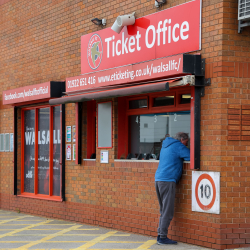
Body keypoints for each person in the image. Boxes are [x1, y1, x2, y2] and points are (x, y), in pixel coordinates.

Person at [155, 132, 190, 245]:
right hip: (168, 180)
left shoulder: (166, 145)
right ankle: (162, 237)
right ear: (182, 140)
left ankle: (160, 235)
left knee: (163, 210)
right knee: (167, 211)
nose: (187, 144)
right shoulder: (178, 146)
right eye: (186, 142)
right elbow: (191, 156)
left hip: (158, 179)